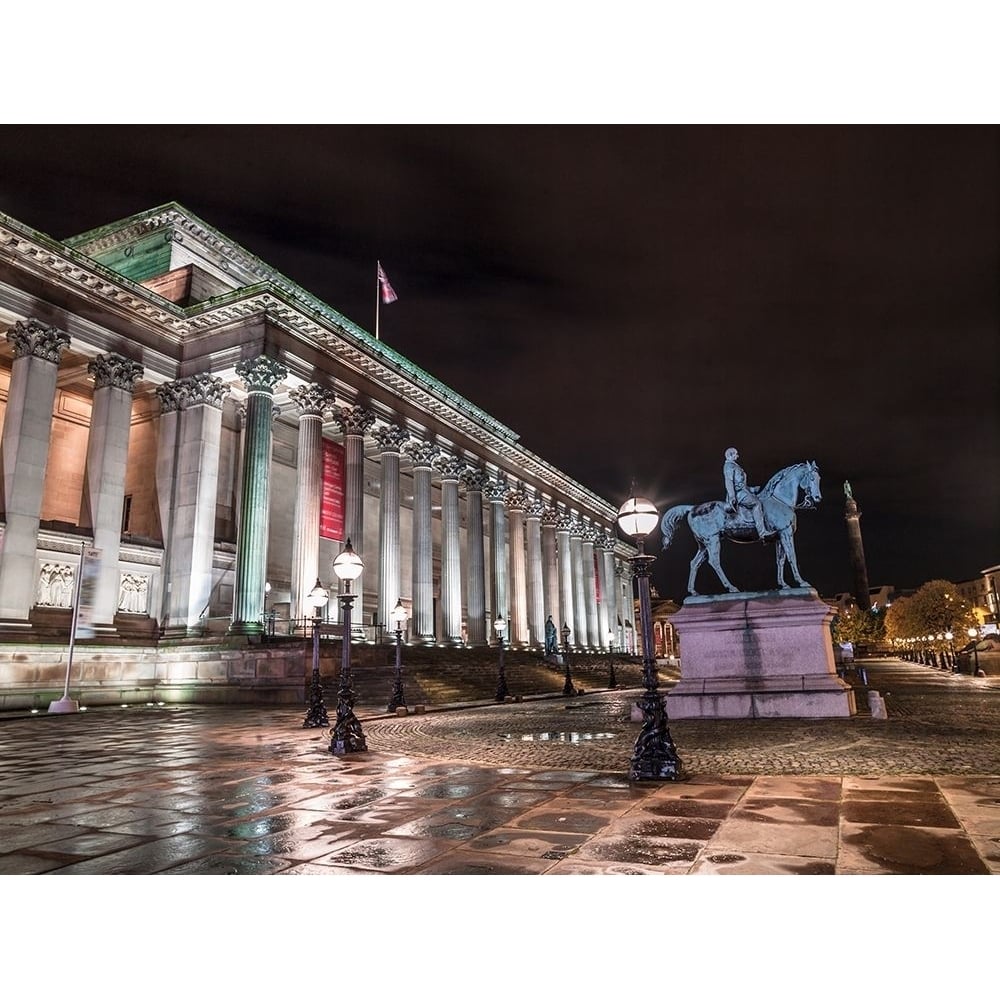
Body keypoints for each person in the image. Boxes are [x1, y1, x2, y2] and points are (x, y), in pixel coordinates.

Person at [723, 447, 768, 540]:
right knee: (757, 503)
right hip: (738, 494)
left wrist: (752, 489)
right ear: (730, 455)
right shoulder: (729, 466)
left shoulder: (734, 465)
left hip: (742, 492)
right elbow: (729, 482)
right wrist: (732, 496)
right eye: (735, 454)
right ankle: (762, 532)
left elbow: (742, 484)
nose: (737, 456)